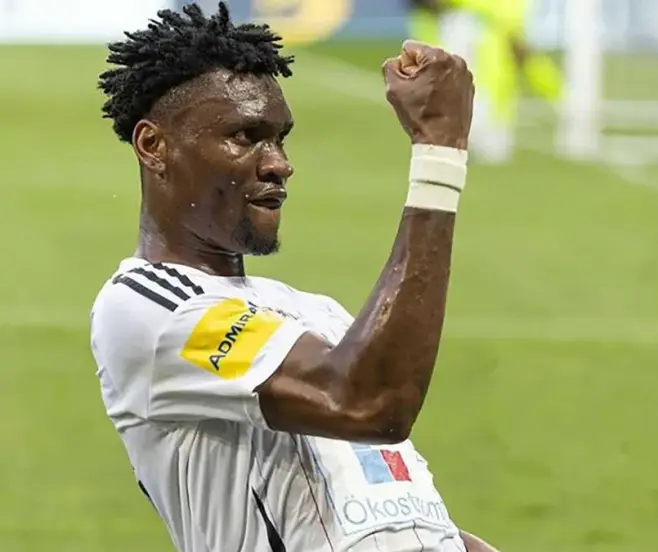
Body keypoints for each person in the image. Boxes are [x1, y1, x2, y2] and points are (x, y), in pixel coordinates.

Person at [90, 2, 498, 551]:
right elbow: (368, 403)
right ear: (153, 145)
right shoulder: (150, 308)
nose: (279, 163)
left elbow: (402, 515)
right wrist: (438, 158)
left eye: (280, 138)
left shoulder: (315, 312)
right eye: (245, 136)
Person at [407, 0, 562, 165]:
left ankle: (562, 102)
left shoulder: (473, 20)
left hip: (489, 102)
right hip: (470, 97)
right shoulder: (440, 22)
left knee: (491, 150)